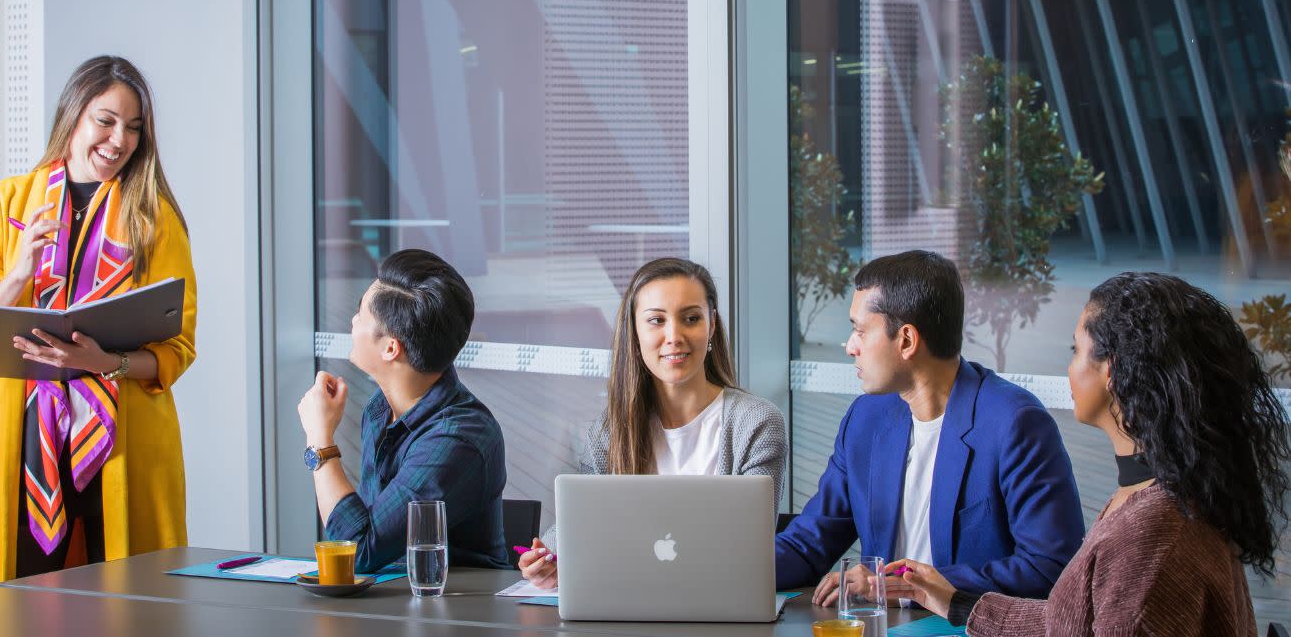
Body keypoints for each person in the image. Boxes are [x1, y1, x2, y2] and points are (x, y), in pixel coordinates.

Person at [893, 272, 1291, 635]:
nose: (1069, 368)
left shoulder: (1152, 535)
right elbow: (1075, 622)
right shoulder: (1156, 493)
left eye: (1076, 350)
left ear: (1112, 371)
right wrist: (959, 603)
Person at [0, 56, 197, 588]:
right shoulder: (9, 204)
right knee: (18, 598)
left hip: (123, 442)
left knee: (129, 601)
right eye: (106, 120)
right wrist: (19, 272)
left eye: (134, 128)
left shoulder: (154, 218)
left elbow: (177, 348)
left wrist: (103, 363)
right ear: (74, 115)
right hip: (25, 440)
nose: (120, 140)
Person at [778, 250, 1084, 605]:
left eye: (860, 330)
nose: (850, 347)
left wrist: (903, 584)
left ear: (906, 340)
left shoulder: (1015, 423)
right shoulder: (866, 418)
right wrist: (716, 572)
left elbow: (1049, 568)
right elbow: (809, 542)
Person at [519, 257, 787, 588]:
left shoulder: (756, 423)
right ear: (634, 331)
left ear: (712, 324)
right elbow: (580, 519)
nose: (674, 336)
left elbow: (750, 545)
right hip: (628, 601)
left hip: (719, 603)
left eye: (691, 318)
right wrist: (548, 559)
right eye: (656, 320)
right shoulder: (610, 430)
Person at [297, 248, 509, 572]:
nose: (353, 321)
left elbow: (359, 552)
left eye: (361, 314)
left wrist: (319, 439)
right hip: (397, 602)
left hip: (460, 611)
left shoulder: (457, 439)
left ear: (390, 348)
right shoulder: (380, 409)